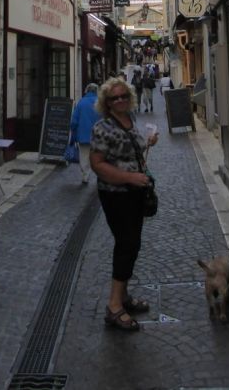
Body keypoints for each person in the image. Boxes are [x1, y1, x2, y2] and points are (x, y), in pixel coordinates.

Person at [90, 77, 159, 331]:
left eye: (123, 96)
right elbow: (97, 164)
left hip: (134, 193)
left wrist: (148, 143)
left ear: (130, 97)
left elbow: (132, 151)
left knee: (132, 244)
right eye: (114, 98)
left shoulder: (130, 120)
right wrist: (129, 177)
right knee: (126, 245)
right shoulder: (102, 127)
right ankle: (114, 306)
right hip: (115, 194)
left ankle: (124, 296)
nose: (119, 100)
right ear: (106, 103)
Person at [70, 83, 100, 184]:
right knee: (98, 155)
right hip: (98, 135)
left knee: (83, 155)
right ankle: (99, 175)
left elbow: (74, 121)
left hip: (83, 135)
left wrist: (73, 129)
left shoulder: (81, 102)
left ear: (87, 90)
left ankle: (85, 175)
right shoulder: (100, 103)